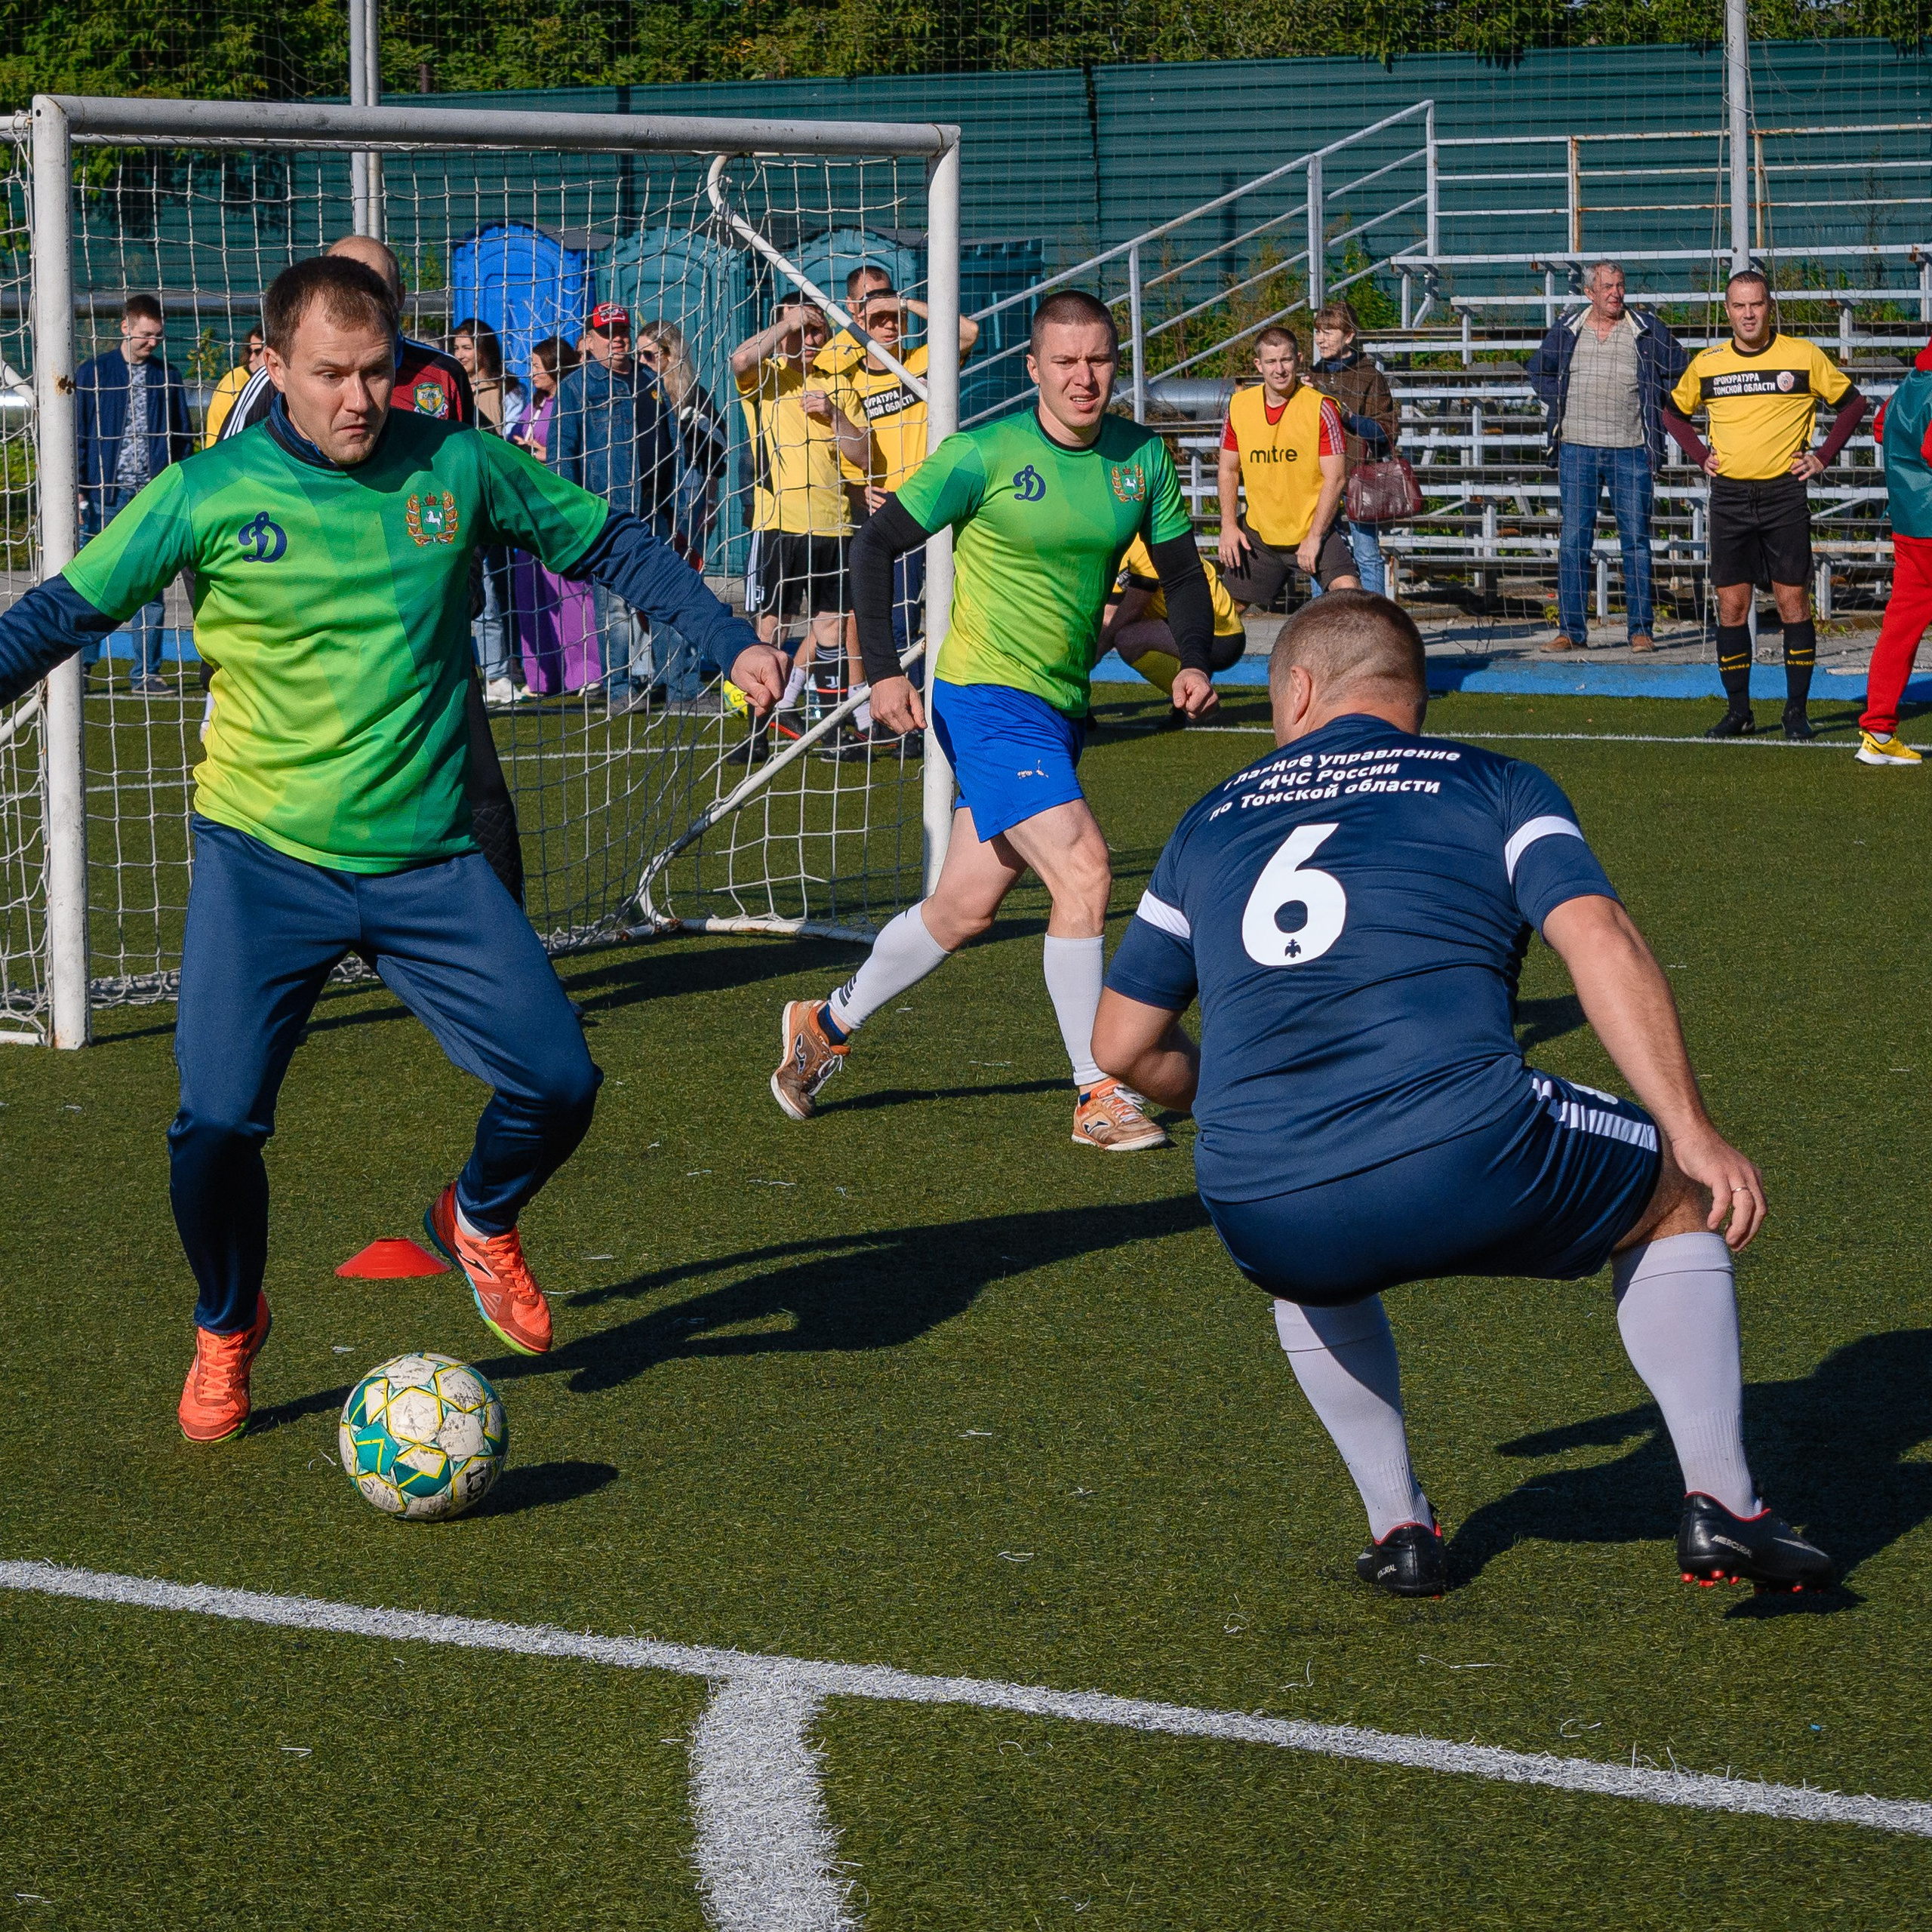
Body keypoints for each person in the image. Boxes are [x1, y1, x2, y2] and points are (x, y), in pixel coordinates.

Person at [0, 256, 786, 1444]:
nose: (360, 399)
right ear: (271, 367)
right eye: (329, 375)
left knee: (561, 1084)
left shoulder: (459, 466)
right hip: (262, 861)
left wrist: (728, 640)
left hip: (429, 862)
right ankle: (227, 1324)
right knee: (213, 1124)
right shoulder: (206, 492)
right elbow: (63, 610)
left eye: (376, 372)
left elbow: (610, 545)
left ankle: (478, 1216)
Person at [1091, 591, 1833, 1599]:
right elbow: (1599, 937)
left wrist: (1252, 1109)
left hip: (1256, 1192)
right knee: (1676, 1197)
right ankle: (1723, 1503)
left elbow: (1122, 1045)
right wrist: (1692, 1130)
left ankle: (1399, 1528)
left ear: (1299, 687)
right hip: (1468, 1143)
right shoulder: (1493, 782)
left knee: (1311, 1271)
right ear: (1414, 694)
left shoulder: (1209, 818)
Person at [769, 290, 1218, 1150]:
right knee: (1085, 872)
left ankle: (823, 1024)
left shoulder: (1141, 460)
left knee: (965, 907)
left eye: (1098, 361)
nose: (1083, 378)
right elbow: (873, 546)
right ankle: (1096, 1090)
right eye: (1065, 362)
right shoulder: (981, 454)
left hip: (1056, 705)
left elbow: (1184, 575)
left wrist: (1191, 659)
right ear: (1034, 368)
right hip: (980, 695)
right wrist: (882, 672)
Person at [1663, 269, 1867, 740]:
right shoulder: (1708, 363)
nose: (1748, 314)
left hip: (1783, 496)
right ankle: (1740, 712)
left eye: (1756, 304)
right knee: (1731, 607)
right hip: (1730, 497)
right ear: (1728, 310)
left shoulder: (1802, 355)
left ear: (1769, 307)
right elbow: (1672, 413)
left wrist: (1822, 457)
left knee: (1793, 601)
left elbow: (1853, 405)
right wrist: (1699, 456)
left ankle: (1796, 713)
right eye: (1739, 306)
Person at [830, 288, 982, 743]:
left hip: (937, 504)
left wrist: (905, 303)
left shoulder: (920, 361)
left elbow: (969, 331)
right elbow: (837, 449)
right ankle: (899, 717)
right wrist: (860, 493)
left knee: (952, 612)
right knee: (894, 618)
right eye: (880, 321)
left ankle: (952, 711)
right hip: (889, 514)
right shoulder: (850, 377)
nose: (890, 327)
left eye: (895, 319)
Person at [1527, 262, 1690, 657]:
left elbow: (1683, 371)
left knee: (1635, 542)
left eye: (1620, 286)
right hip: (1576, 448)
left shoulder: (1647, 328)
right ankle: (1570, 631)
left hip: (1631, 449)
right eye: (1606, 287)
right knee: (1573, 542)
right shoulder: (1568, 329)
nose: (1615, 293)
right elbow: (1538, 370)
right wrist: (1560, 403)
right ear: (1589, 293)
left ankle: (1640, 630)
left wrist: (1657, 406)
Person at [731, 300, 872, 749]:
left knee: (832, 628)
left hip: (836, 528)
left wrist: (835, 417)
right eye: (803, 332)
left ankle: (831, 728)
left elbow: (865, 455)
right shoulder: (767, 378)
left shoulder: (840, 388)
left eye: (817, 332)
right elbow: (738, 359)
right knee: (773, 627)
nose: (810, 341)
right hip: (780, 526)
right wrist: (791, 321)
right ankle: (757, 732)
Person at [552, 300, 680, 714]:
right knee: (615, 608)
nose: (618, 340)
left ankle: (680, 689)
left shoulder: (651, 381)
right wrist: (572, 516)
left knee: (666, 598)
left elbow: (670, 445)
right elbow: (561, 455)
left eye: (622, 331)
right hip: (605, 514)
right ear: (589, 341)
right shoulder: (575, 387)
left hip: (654, 509)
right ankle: (621, 689)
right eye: (607, 334)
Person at [216, 236, 472, 438]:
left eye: (376, 292)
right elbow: (229, 471)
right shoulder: (279, 375)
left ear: (400, 296)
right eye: (330, 375)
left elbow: (463, 469)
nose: (359, 403)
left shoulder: (445, 373)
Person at [75, 294, 192, 695]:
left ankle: (146, 673)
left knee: (151, 590)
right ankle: (84, 668)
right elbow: (79, 435)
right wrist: (79, 491)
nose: (152, 343)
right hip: (104, 496)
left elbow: (183, 439)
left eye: (158, 336)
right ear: (125, 327)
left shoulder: (169, 376)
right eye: (146, 335)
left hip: (152, 498)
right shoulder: (92, 373)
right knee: (95, 582)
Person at [1217, 327, 1359, 614]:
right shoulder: (1239, 407)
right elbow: (1229, 470)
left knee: (1349, 597)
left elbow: (1336, 477)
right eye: (1271, 362)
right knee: (1222, 616)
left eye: (1286, 360)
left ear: (1299, 359)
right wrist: (1229, 526)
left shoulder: (1320, 408)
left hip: (1310, 527)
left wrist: (1315, 536)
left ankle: (1337, 659)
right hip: (1260, 532)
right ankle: (1195, 659)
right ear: (1259, 365)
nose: (1279, 369)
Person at [638, 317, 726, 707]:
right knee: (651, 593)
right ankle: (664, 675)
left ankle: (682, 681)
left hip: (687, 502)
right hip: (648, 502)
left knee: (683, 591)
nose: (642, 362)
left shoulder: (694, 398)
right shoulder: (638, 395)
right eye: (638, 355)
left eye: (649, 355)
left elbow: (716, 457)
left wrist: (709, 500)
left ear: (670, 355)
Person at [511, 337, 601, 697]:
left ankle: (586, 674)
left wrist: (543, 454)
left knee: (571, 594)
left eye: (537, 365)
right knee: (531, 593)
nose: (531, 372)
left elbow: (583, 451)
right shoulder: (533, 404)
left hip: (560, 511)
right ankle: (542, 677)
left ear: (555, 365)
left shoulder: (572, 400)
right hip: (525, 512)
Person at [1854, 356, 1932, 764]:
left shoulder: (1911, 383)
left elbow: (1881, 427)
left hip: (1908, 524)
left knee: (1899, 630)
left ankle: (1878, 732)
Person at [453, 318, 527, 708]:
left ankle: (503, 671)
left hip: (497, 498)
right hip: (468, 500)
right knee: (482, 590)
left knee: (497, 589)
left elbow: (512, 438)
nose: (460, 354)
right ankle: (496, 670)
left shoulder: (507, 390)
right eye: (457, 347)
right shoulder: (453, 389)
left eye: (467, 347)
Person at [1100, 531, 1246, 726]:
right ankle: (1187, 700)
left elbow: (1129, 611)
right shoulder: (1118, 548)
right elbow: (1108, 617)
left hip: (1221, 637)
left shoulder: (1142, 543)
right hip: (1189, 630)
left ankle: (1194, 698)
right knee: (1120, 634)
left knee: (1127, 639)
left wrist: (1085, 667)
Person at [1307, 300, 1401, 597]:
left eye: (1329, 332)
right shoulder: (1311, 376)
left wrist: (1345, 415)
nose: (1321, 339)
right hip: (1318, 478)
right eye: (1318, 332)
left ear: (1348, 336)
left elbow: (1385, 431)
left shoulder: (1370, 376)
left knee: (1366, 553)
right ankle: (1319, 620)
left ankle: (1375, 622)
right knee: (1317, 550)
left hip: (1359, 476)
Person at [202, 325, 265, 448]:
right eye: (249, 351)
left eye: (257, 351)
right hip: (227, 457)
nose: (251, 358)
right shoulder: (236, 386)